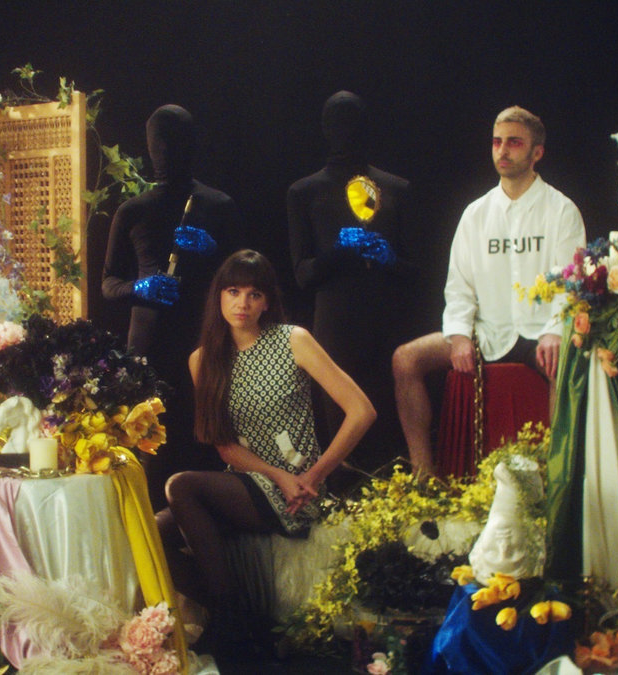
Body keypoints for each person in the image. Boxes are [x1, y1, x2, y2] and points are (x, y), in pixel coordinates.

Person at [156, 249, 374, 650]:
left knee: (181, 485)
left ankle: (229, 621)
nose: (242, 303)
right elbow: (225, 446)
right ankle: (240, 616)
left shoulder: (293, 340)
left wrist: (313, 476)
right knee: (153, 531)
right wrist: (277, 475)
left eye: (254, 294)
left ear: (267, 302)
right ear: (218, 296)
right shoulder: (202, 360)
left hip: (300, 493)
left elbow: (362, 411)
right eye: (233, 291)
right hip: (250, 481)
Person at [392, 106, 584, 475]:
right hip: (487, 331)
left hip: (538, 334)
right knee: (405, 359)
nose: (503, 150)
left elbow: (570, 285)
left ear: (537, 152)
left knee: (566, 366)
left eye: (514, 143)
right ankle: (423, 476)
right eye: (497, 142)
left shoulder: (561, 211)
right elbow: (459, 286)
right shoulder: (475, 214)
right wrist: (460, 335)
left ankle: (560, 477)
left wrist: (555, 331)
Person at [102, 104, 244, 510]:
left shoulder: (217, 206)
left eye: (173, 143)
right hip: (149, 346)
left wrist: (213, 249)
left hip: (205, 338)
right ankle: (150, 531)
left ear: (191, 146)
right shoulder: (133, 210)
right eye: (158, 144)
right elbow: (108, 282)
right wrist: (140, 288)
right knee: (150, 444)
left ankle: (209, 526)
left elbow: (245, 275)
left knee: (208, 436)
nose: (164, 152)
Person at [287, 91, 414, 476]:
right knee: (340, 417)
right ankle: (343, 493)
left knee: (389, 415)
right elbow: (303, 274)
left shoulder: (397, 189)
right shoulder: (305, 192)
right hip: (336, 324)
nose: (346, 131)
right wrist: (341, 251)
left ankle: (394, 497)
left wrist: (388, 257)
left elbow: (417, 271)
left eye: (353, 122)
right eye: (338, 122)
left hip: (387, 323)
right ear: (325, 129)